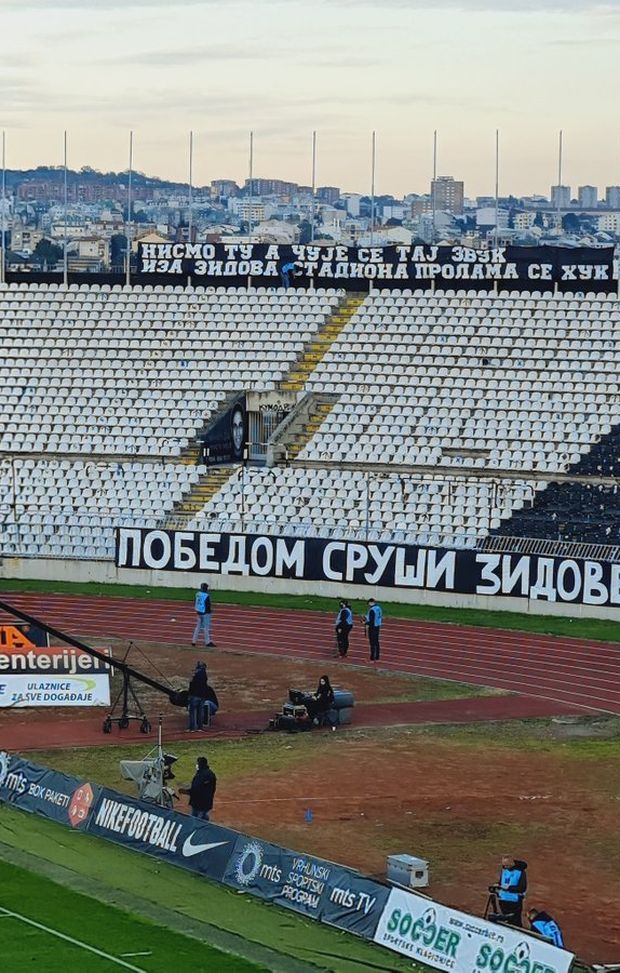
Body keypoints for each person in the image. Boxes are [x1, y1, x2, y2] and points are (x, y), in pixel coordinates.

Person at [179, 756, 217, 820]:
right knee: (202, 816)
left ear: (200, 764)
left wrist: (187, 792)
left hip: (199, 803)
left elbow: (196, 789)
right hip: (205, 802)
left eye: (197, 763)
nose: (196, 765)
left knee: (196, 819)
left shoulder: (201, 775)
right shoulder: (209, 773)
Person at [495, 856, 527, 927]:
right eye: (504, 865)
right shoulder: (504, 870)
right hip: (503, 900)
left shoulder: (520, 872)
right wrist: (498, 886)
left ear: (512, 863)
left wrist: (508, 888)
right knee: (505, 920)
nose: (505, 867)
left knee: (516, 921)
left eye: (506, 865)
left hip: (514, 901)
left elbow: (522, 888)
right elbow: (502, 882)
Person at [187, 661, 209, 731]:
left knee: (193, 712)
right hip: (202, 696)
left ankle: (192, 728)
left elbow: (192, 685)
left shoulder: (195, 675)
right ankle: (200, 727)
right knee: (200, 712)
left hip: (194, 695)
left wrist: (189, 695)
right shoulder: (205, 675)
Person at [192, 582, 215, 648]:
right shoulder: (206, 595)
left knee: (198, 627)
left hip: (198, 612)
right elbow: (208, 605)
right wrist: (210, 612)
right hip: (205, 613)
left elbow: (196, 602)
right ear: (206, 588)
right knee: (206, 628)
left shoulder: (197, 594)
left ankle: (193, 641)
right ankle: (207, 642)